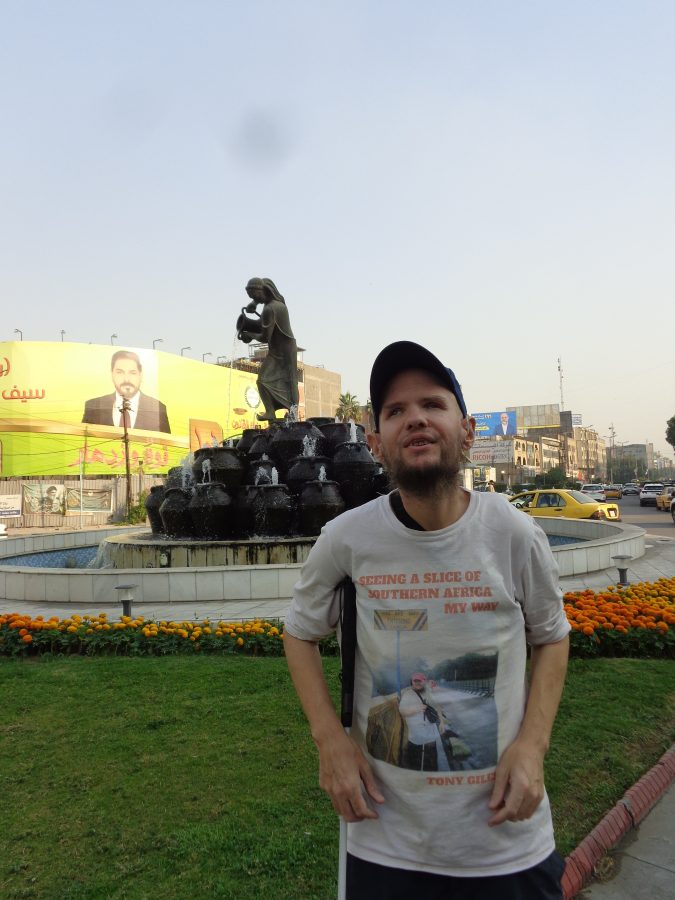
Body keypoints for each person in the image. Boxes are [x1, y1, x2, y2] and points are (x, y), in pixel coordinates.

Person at [284, 340, 570, 899]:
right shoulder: (347, 538)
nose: (414, 418)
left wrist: (532, 746)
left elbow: (552, 636)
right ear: (375, 442)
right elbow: (299, 632)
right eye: (394, 411)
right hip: (383, 840)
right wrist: (330, 742)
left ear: (466, 430)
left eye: (432, 404)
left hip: (506, 842)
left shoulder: (512, 533)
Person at [238, 278, 299, 422]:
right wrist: (254, 304)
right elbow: (263, 324)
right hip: (278, 349)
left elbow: (265, 336)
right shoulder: (273, 304)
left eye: (253, 296)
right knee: (265, 381)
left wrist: (250, 335)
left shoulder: (270, 308)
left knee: (289, 380)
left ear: (261, 291)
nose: (253, 299)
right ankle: (271, 412)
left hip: (285, 350)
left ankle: (292, 412)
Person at [82, 350, 170, 433]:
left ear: (141, 375)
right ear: (112, 374)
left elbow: (167, 446)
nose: (126, 379)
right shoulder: (93, 406)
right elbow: (82, 442)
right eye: (120, 372)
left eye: (132, 373)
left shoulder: (157, 408)